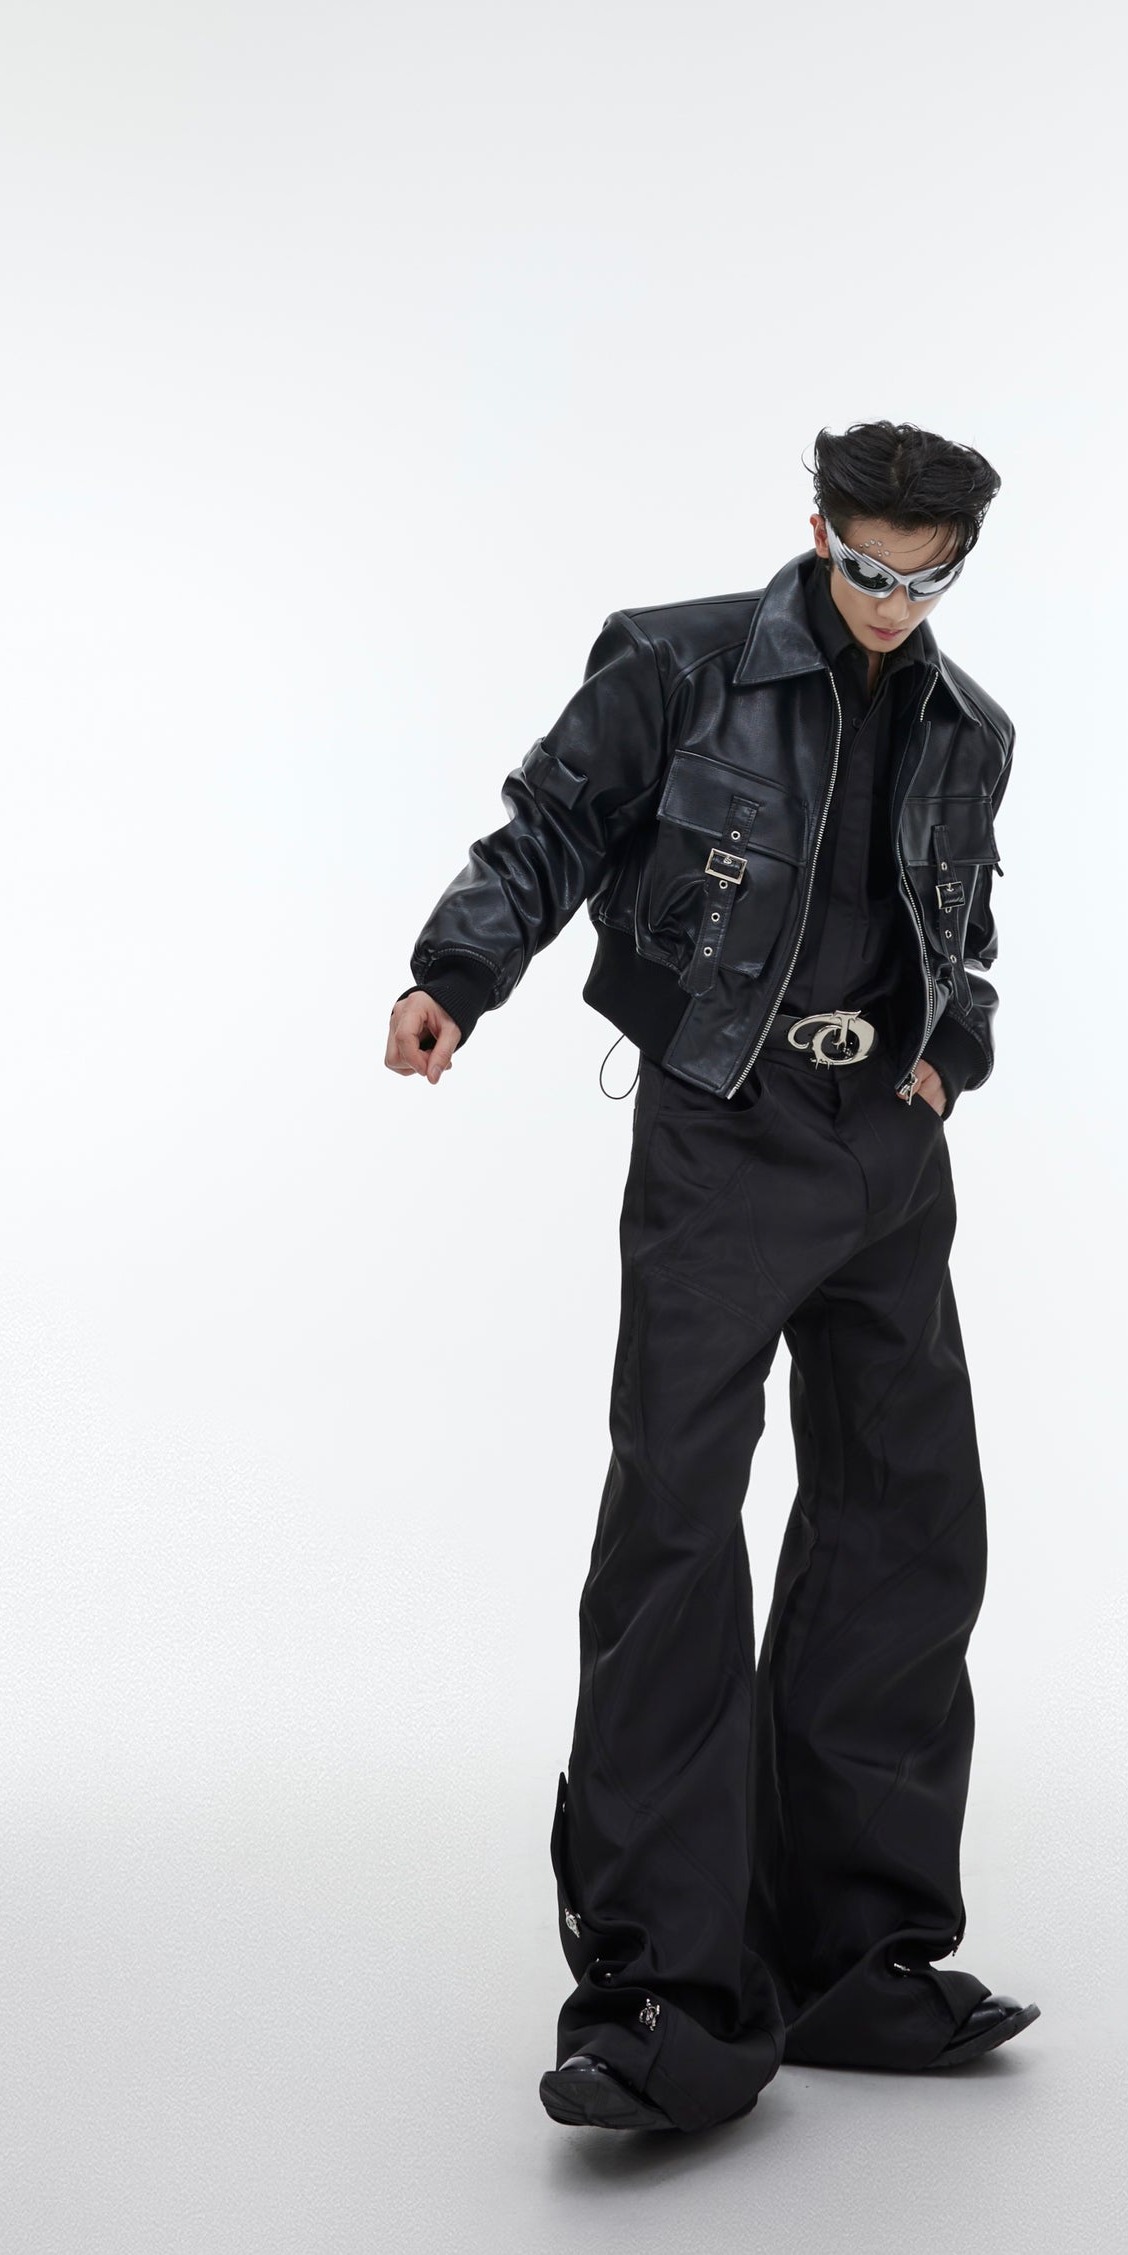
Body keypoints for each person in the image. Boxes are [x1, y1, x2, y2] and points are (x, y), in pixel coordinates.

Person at [384, 419, 1035, 2134]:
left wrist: (949, 1051)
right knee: (676, 1524)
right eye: (867, 566)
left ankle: (854, 1956)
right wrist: (457, 973)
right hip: (721, 1131)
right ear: (819, 531)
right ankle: (662, 1990)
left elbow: (962, 930)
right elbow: (551, 826)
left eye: (926, 578)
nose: (891, 602)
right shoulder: (678, 664)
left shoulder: (971, 728)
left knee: (905, 1520)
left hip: (885, 1149)